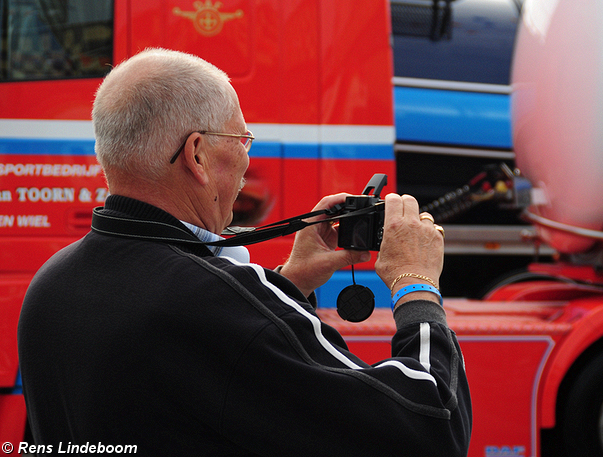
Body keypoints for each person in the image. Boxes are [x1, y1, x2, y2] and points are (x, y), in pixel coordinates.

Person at [17, 48, 472, 455]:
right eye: (241, 140)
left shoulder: (52, 283)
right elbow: (431, 424)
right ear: (195, 155)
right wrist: (417, 285)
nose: (247, 160)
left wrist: (289, 283)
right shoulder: (208, 300)